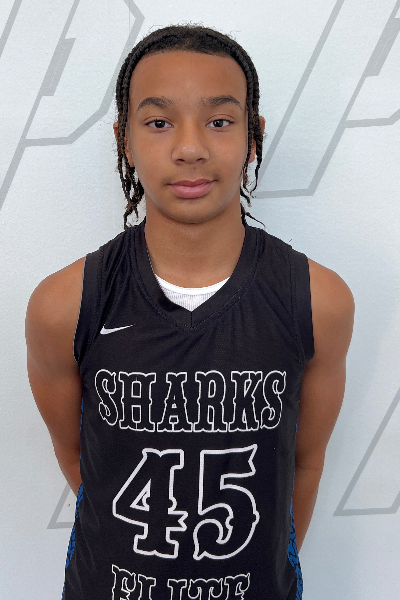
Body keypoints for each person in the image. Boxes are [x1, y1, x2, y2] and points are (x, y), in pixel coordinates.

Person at [25, 25, 354, 600]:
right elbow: (82, 460)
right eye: (158, 122)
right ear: (125, 140)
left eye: (219, 121)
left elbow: (304, 463)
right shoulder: (63, 305)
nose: (190, 147)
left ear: (253, 136)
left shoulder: (318, 300)